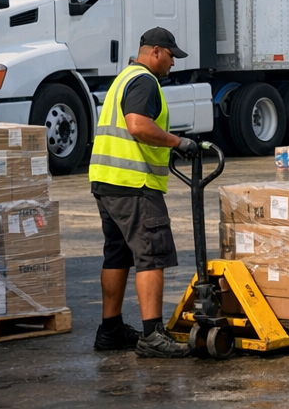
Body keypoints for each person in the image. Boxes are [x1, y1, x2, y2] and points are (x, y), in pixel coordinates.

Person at [89, 27, 200, 358]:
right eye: (171, 56)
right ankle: (153, 334)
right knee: (151, 254)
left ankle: (110, 329)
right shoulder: (145, 81)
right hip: (133, 184)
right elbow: (137, 125)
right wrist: (177, 142)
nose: (173, 64)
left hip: (107, 180)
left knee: (117, 254)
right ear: (155, 52)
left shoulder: (123, 77)